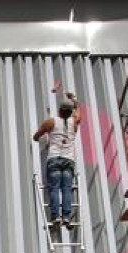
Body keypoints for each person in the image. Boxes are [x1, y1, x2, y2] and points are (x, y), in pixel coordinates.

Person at [33, 83, 81, 230]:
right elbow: (79, 111)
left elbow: (36, 137)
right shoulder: (74, 123)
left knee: (54, 188)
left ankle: (56, 217)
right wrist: (74, 99)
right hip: (69, 160)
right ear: (70, 112)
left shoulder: (51, 122)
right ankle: (66, 217)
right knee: (66, 188)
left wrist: (46, 134)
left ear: (60, 110)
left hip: (54, 158)